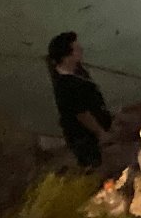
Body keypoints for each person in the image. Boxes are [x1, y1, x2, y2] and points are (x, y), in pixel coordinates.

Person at [46, 32, 111, 170]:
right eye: (76, 48)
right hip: (86, 138)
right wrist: (100, 132)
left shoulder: (77, 72)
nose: (81, 50)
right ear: (66, 56)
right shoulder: (66, 85)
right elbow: (82, 114)